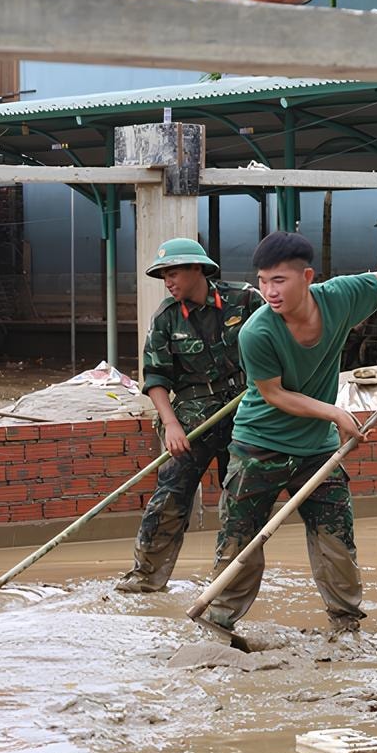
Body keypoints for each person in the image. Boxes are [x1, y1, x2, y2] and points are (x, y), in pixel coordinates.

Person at [204, 232, 377, 636]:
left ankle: (346, 626)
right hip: (259, 446)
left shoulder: (340, 297)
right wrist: (334, 412)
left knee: (336, 540)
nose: (269, 292)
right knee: (240, 544)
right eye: (262, 281)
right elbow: (274, 394)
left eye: (279, 280)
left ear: (306, 276)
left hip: (317, 448)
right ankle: (218, 626)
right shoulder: (257, 332)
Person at [115, 238, 263, 593]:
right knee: (169, 497)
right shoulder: (166, 319)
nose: (169, 281)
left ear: (199, 269)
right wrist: (170, 425)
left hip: (245, 412)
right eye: (164, 275)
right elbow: (155, 378)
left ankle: (229, 582)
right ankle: (145, 578)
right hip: (191, 420)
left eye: (175, 272)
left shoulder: (245, 300)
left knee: (240, 499)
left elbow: (279, 341)